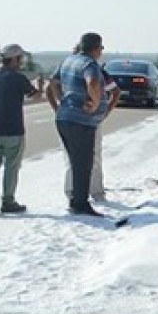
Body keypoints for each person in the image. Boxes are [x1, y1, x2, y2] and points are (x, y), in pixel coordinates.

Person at [0, 43, 41, 214]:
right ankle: (8, 200)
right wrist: (39, 85)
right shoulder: (18, 78)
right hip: (13, 130)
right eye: (20, 58)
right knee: (11, 166)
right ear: (14, 59)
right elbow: (36, 97)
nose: (21, 62)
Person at [48, 57, 119, 203]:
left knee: (83, 158)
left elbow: (115, 91)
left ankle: (88, 192)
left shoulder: (72, 66)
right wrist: (96, 105)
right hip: (83, 119)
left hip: (82, 119)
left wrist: (60, 106)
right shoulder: (81, 67)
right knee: (83, 159)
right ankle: (79, 194)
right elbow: (51, 86)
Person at [53, 32, 107, 216]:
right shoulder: (88, 64)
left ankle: (76, 200)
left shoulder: (68, 61)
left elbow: (53, 83)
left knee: (76, 162)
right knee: (84, 163)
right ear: (95, 48)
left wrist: (61, 99)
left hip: (64, 117)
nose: (101, 51)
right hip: (81, 121)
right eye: (101, 48)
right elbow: (92, 82)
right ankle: (80, 204)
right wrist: (95, 103)